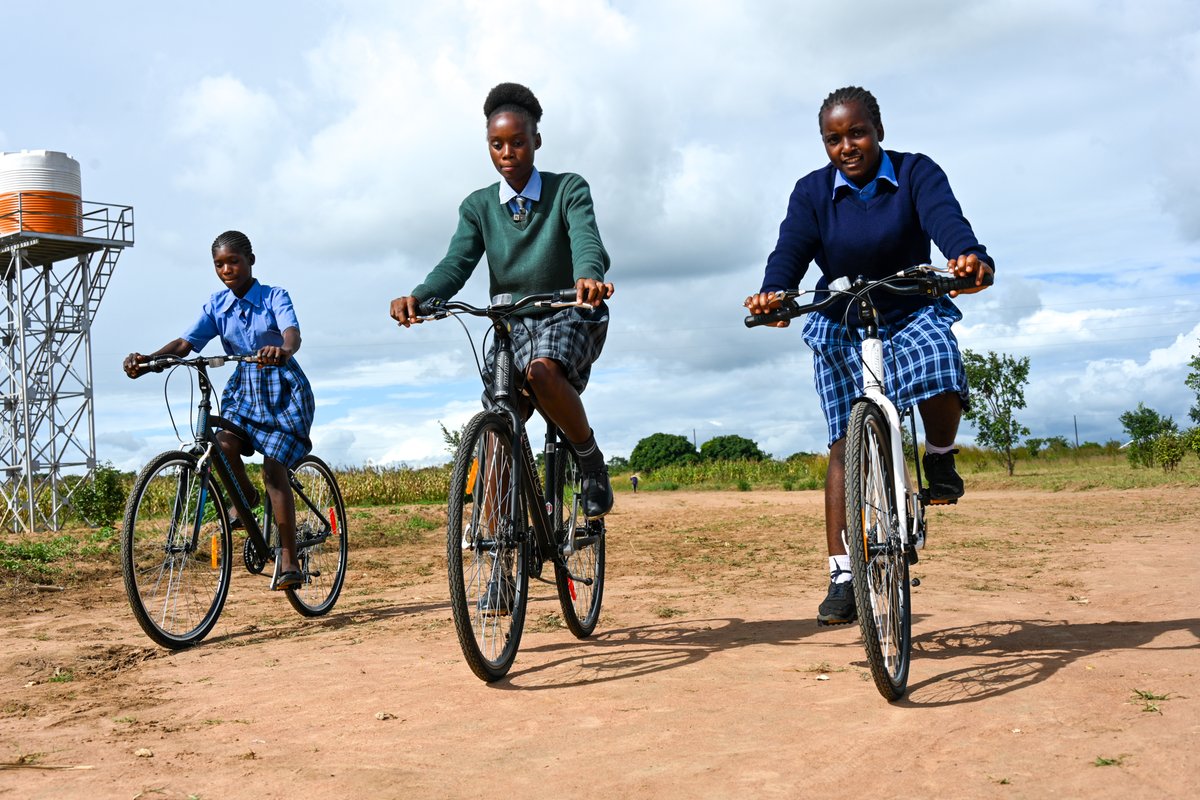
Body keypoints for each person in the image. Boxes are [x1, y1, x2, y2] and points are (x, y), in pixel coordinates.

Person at [744, 86, 994, 627]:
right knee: (843, 445)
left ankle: (940, 455)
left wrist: (967, 257)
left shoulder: (915, 173)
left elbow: (946, 221)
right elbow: (791, 248)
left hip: (910, 306)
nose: (846, 147)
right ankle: (842, 572)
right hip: (841, 317)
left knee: (940, 364)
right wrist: (775, 291)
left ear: (878, 128)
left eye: (856, 133)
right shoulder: (811, 192)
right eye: (833, 139)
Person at [390, 81, 615, 520]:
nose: (507, 153)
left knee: (542, 373)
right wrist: (419, 297)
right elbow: (456, 263)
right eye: (497, 144)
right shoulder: (478, 206)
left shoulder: (568, 188)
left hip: (567, 311)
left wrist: (589, 276)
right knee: (497, 427)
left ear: (536, 141)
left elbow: (587, 240)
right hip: (510, 323)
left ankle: (589, 459)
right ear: (488, 147)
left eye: (517, 142)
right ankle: (495, 557)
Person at [123, 231, 315, 591]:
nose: (227, 269)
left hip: (283, 389)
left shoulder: (274, 296)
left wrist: (282, 350)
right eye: (219, 264)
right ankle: (248, 500)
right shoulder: (216, 306)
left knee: (274, 470)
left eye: (234, 261)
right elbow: (185, 343)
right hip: (244, 389)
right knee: (222, 445)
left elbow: (292, 333)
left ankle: (289, 558)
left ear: (250, 260)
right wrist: (150, 359)